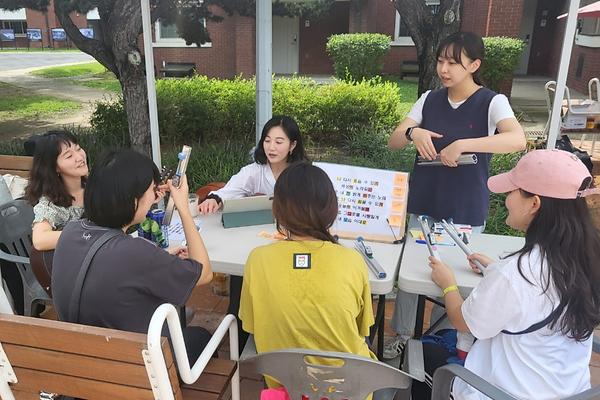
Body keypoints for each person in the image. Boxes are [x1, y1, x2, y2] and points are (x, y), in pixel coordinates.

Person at [384, 31, 526, 358]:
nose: (444, 69)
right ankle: (404, 334)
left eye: (453, 63)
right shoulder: (429, 99)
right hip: (423, 203)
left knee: (453, 278)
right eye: (440, 61)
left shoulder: (491, 101)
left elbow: (517, 139)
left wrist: (464, 144)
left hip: (464, 209)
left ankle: (441, 338)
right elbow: (394, 140)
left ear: (474, 65)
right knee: (412, 275)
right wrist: (412, 131)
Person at [416, 149, 600, 399]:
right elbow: (538, 290)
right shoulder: (587, 257)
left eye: (513, 191)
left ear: (534, 203)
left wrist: (448, 284)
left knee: (420, 355)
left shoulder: (515, 274)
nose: (506, 199)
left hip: (500, 392)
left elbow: (462, 321)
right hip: (567, 391)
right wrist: (494, 270)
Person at [52, 149, 214, 363]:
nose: (155, 197)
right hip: (139, 370)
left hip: (86, 362)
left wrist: (160, 257)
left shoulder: (70, 232)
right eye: (151, 190)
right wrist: (183, 208)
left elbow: (108, 267)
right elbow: (204, 274)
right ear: (132, 199)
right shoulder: (136, 253)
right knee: (202, 337)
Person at [239, 162, 376, 386]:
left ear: (278, 209)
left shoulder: (258, 259)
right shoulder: (353, 261)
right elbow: (363, 329)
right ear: (332, 208)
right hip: (349, 390)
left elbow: (252, 326)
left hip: (284, 388)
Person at [198, 115, 308, 214]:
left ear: (292, 145)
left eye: (278, 142)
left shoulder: (304, 174)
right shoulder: (253, 171)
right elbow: (229, 191)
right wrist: (213, 199)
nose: (271, 147)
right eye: (267, 140)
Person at [25, 130, 88, 251]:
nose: (79, 157)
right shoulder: (51, 205)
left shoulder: (95, 185)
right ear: (54, 167)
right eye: (69, 156)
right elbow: (40, 240)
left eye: (79, 149)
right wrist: (88, 234)